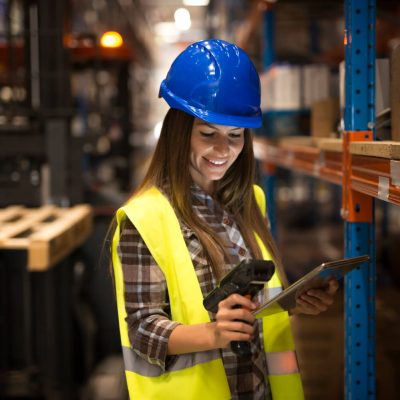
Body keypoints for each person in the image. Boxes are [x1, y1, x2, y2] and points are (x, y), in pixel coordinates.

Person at [111, 39, 338, 400]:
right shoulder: (144, 218)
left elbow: (257, 305)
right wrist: (214, 334)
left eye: (235, 135)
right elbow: (142, 330)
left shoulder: (250, 202)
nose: (223, 150)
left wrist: (296, 299)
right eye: (207, 133)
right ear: (178, 130)